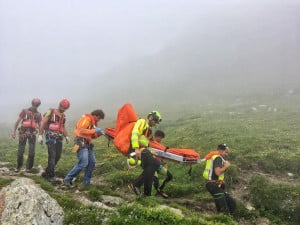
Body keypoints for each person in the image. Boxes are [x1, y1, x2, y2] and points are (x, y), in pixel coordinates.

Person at [63, 109, 105, 188]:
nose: (98, 120)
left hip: (87, 143)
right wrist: (94, 130)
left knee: (92, 162)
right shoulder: (86, 119)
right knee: (83, 163)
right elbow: (81, 130)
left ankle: (86, 182)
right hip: (80, 142)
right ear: (96, 115)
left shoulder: (92, 123)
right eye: (99, 118)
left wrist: (99, 134)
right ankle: (67, 179)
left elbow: (91, 135)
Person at [128, 111, 162, 196]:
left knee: (153, 166)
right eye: (155, 121)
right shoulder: (142, 122)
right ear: (150, 117)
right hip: (137, 149)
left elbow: (146, 142)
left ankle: (137, 187)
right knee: (153, 164)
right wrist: (136, 148)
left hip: (142, 149)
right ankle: (142, 190)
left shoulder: (148, 130)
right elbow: (135, 133)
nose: (155, 124)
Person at [38, 98, 70, 182]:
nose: (63, 109)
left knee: (58, 156)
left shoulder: (63, 116)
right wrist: (40, 135)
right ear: (59, 105)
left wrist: (66, 136)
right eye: (62, 107)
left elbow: (62, 127)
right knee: (52, 155)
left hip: (59, 137)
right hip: (50, 136)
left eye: (64, 108)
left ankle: (47, 171)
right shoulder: (51, 111)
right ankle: (51, 176)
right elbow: (43, 122)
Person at [203, 143, 236, 214]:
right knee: (224, 209)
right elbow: (217, 172)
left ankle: (224, 219)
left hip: (215, 185)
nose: (227, 154)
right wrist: (226, 166)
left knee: (231, 204)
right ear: (220, 151)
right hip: (214, 185)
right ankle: (223, 220)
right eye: (226, 152)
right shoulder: (218, 158)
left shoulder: (215, 157)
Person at [12, 98, 42, 172]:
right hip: (23, 134)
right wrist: (14, 132)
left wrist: (40, 136)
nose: (35, 106)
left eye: (37, 105)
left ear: (38, 105)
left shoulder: (38, 115)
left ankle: (29, 168)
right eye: (34, 104)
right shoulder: (24, 111)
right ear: (32, 104)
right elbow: (17, 121)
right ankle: (18, 167)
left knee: (31, 152)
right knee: (20, 152)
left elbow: (41, 125)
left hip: (32, 134)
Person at [151, 130, 173, 198]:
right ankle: (150, 197)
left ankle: (160, 189)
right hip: (151, 166)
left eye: (161, 138)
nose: (160, 139)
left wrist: (164, 163)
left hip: (159, 165)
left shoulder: (160, 146)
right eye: (159, 137)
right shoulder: (151, 144)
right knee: (155, 182)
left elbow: (162, 157)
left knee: (169, 176)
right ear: (155, 136)